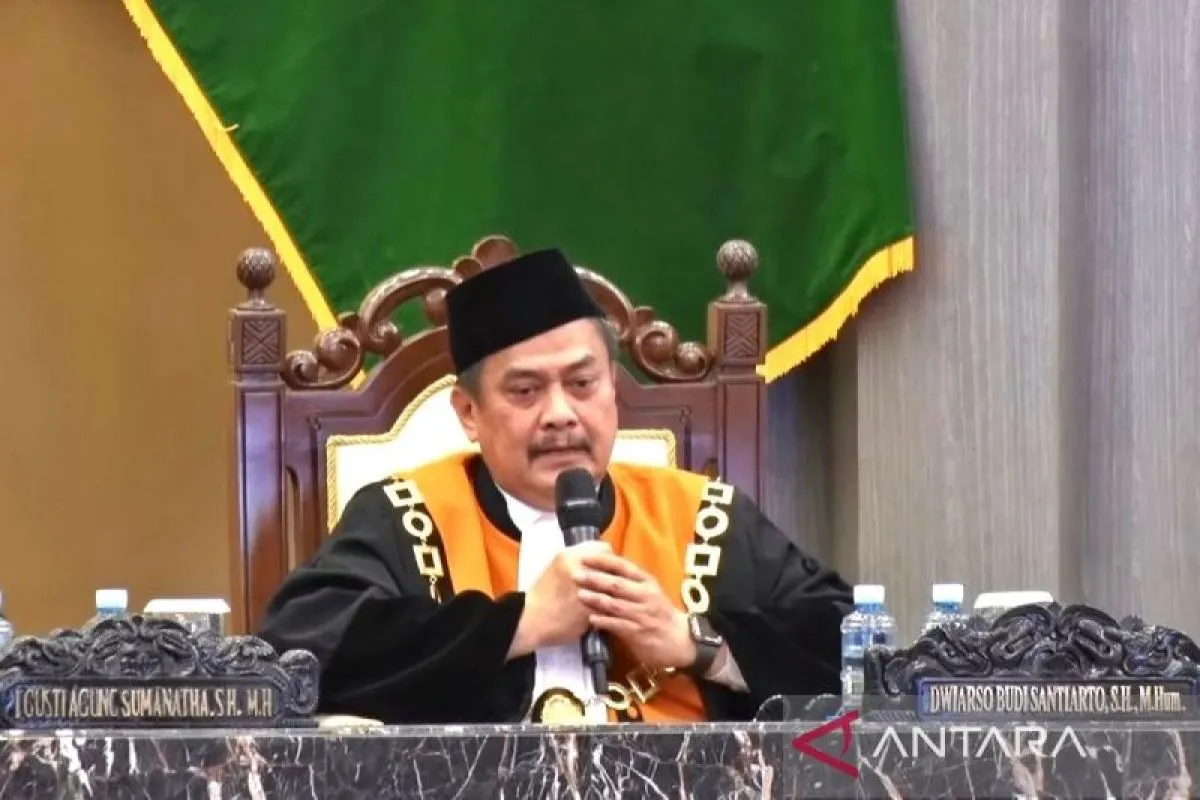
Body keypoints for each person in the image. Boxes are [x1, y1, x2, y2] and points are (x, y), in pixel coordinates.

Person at [258, 248, 853, 725]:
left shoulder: (700, 516)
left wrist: (692, 640)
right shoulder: (407, 515)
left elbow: (850, 646)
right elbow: (297, 653)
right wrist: (521, 624)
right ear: (469, 413)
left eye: (582, 383)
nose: (561, 415)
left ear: (612, 390)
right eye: (525, 391)